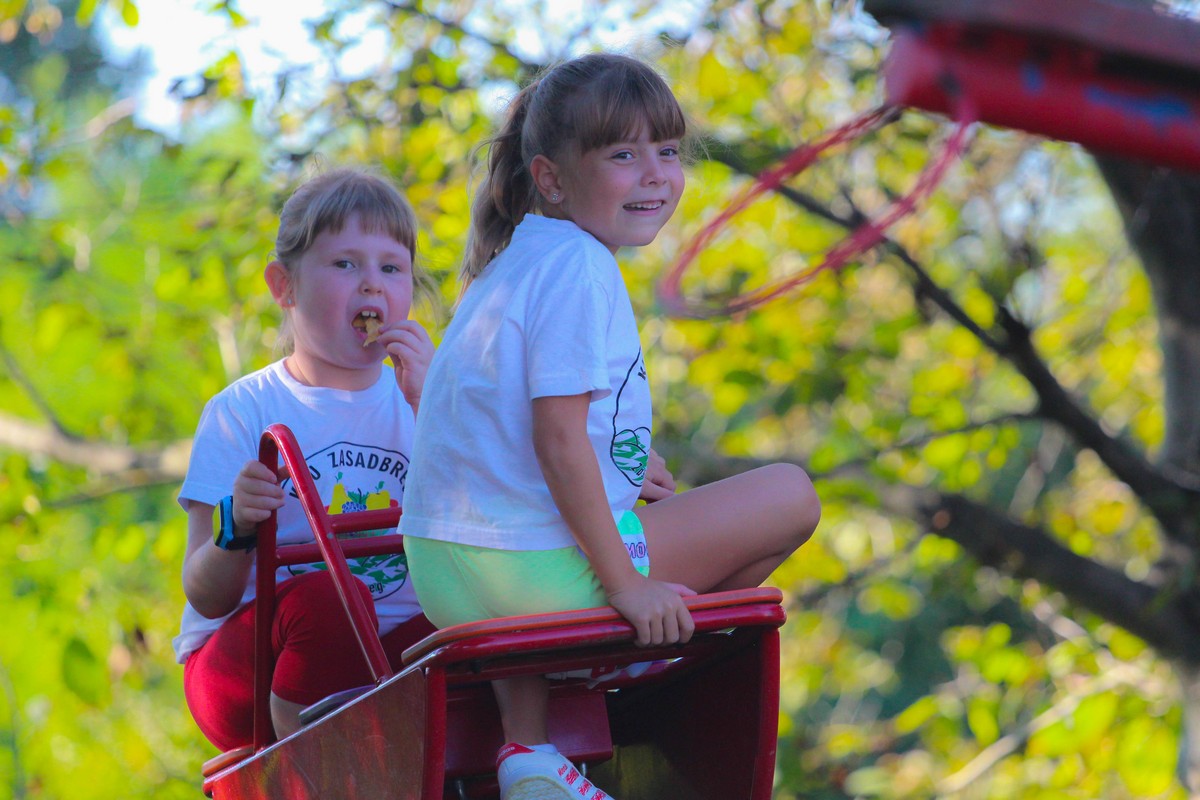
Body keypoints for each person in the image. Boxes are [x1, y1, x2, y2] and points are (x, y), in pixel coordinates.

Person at [399, 53, 821, 800]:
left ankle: (528, 751)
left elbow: (518, 430)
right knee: (790, 493)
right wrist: (625, 585)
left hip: (447, 569)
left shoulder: (511, 263)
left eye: (666, 151)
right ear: (554, 178)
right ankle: (637, 664)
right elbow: (558, 442)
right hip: (532, 577)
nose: (654, 174)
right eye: (623, 155)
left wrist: (622, 458)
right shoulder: (581, 268)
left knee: (632, 507)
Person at [174, 167, 438, 752]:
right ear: (284, 286)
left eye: (391, 269)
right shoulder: (243, 410)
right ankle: (310, 765)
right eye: (345, 264)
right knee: (332, 598)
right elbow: (205, 595)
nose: (372, 286)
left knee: (492, 608)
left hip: (387, 661)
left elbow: (488, 527)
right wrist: (237, 526)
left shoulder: (435, 400)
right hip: (255, 670)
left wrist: (433, 402)